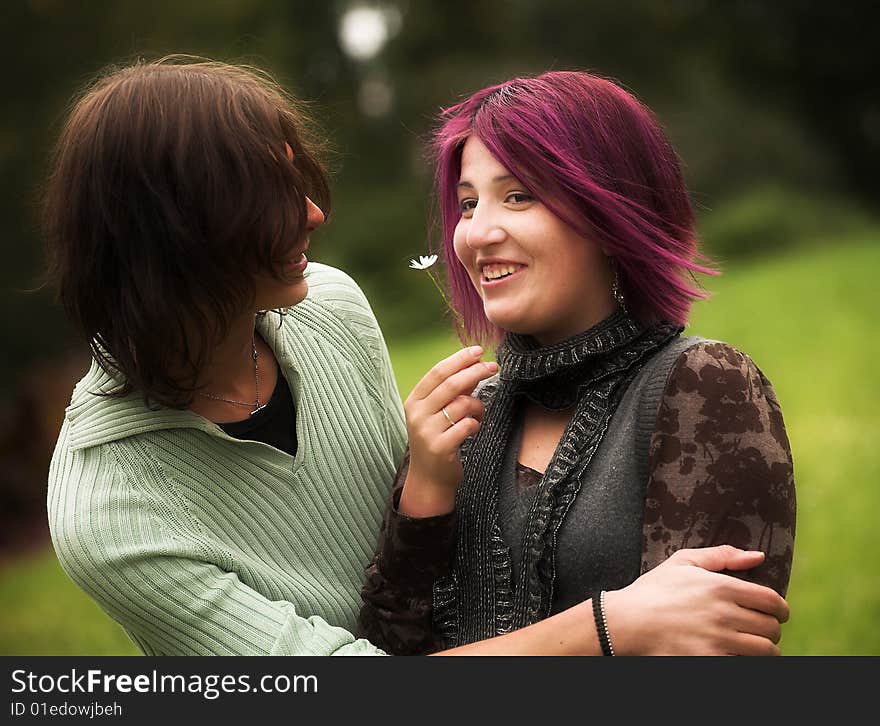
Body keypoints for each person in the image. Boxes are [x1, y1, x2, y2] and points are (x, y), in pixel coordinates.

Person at [45, 58, 790, 656]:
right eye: (467, 204)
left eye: (520, 195)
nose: (313, 211)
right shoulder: (109, 512)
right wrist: (604, 626)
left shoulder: (328, 306)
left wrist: (424, 488)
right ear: (182, 233)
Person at [358, 71, 796, 655]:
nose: (477, 233)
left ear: (608, 211)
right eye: (468, 204)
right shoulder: (461, 422)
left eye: (519, 195)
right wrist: (424, 497)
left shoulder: (703, 388)